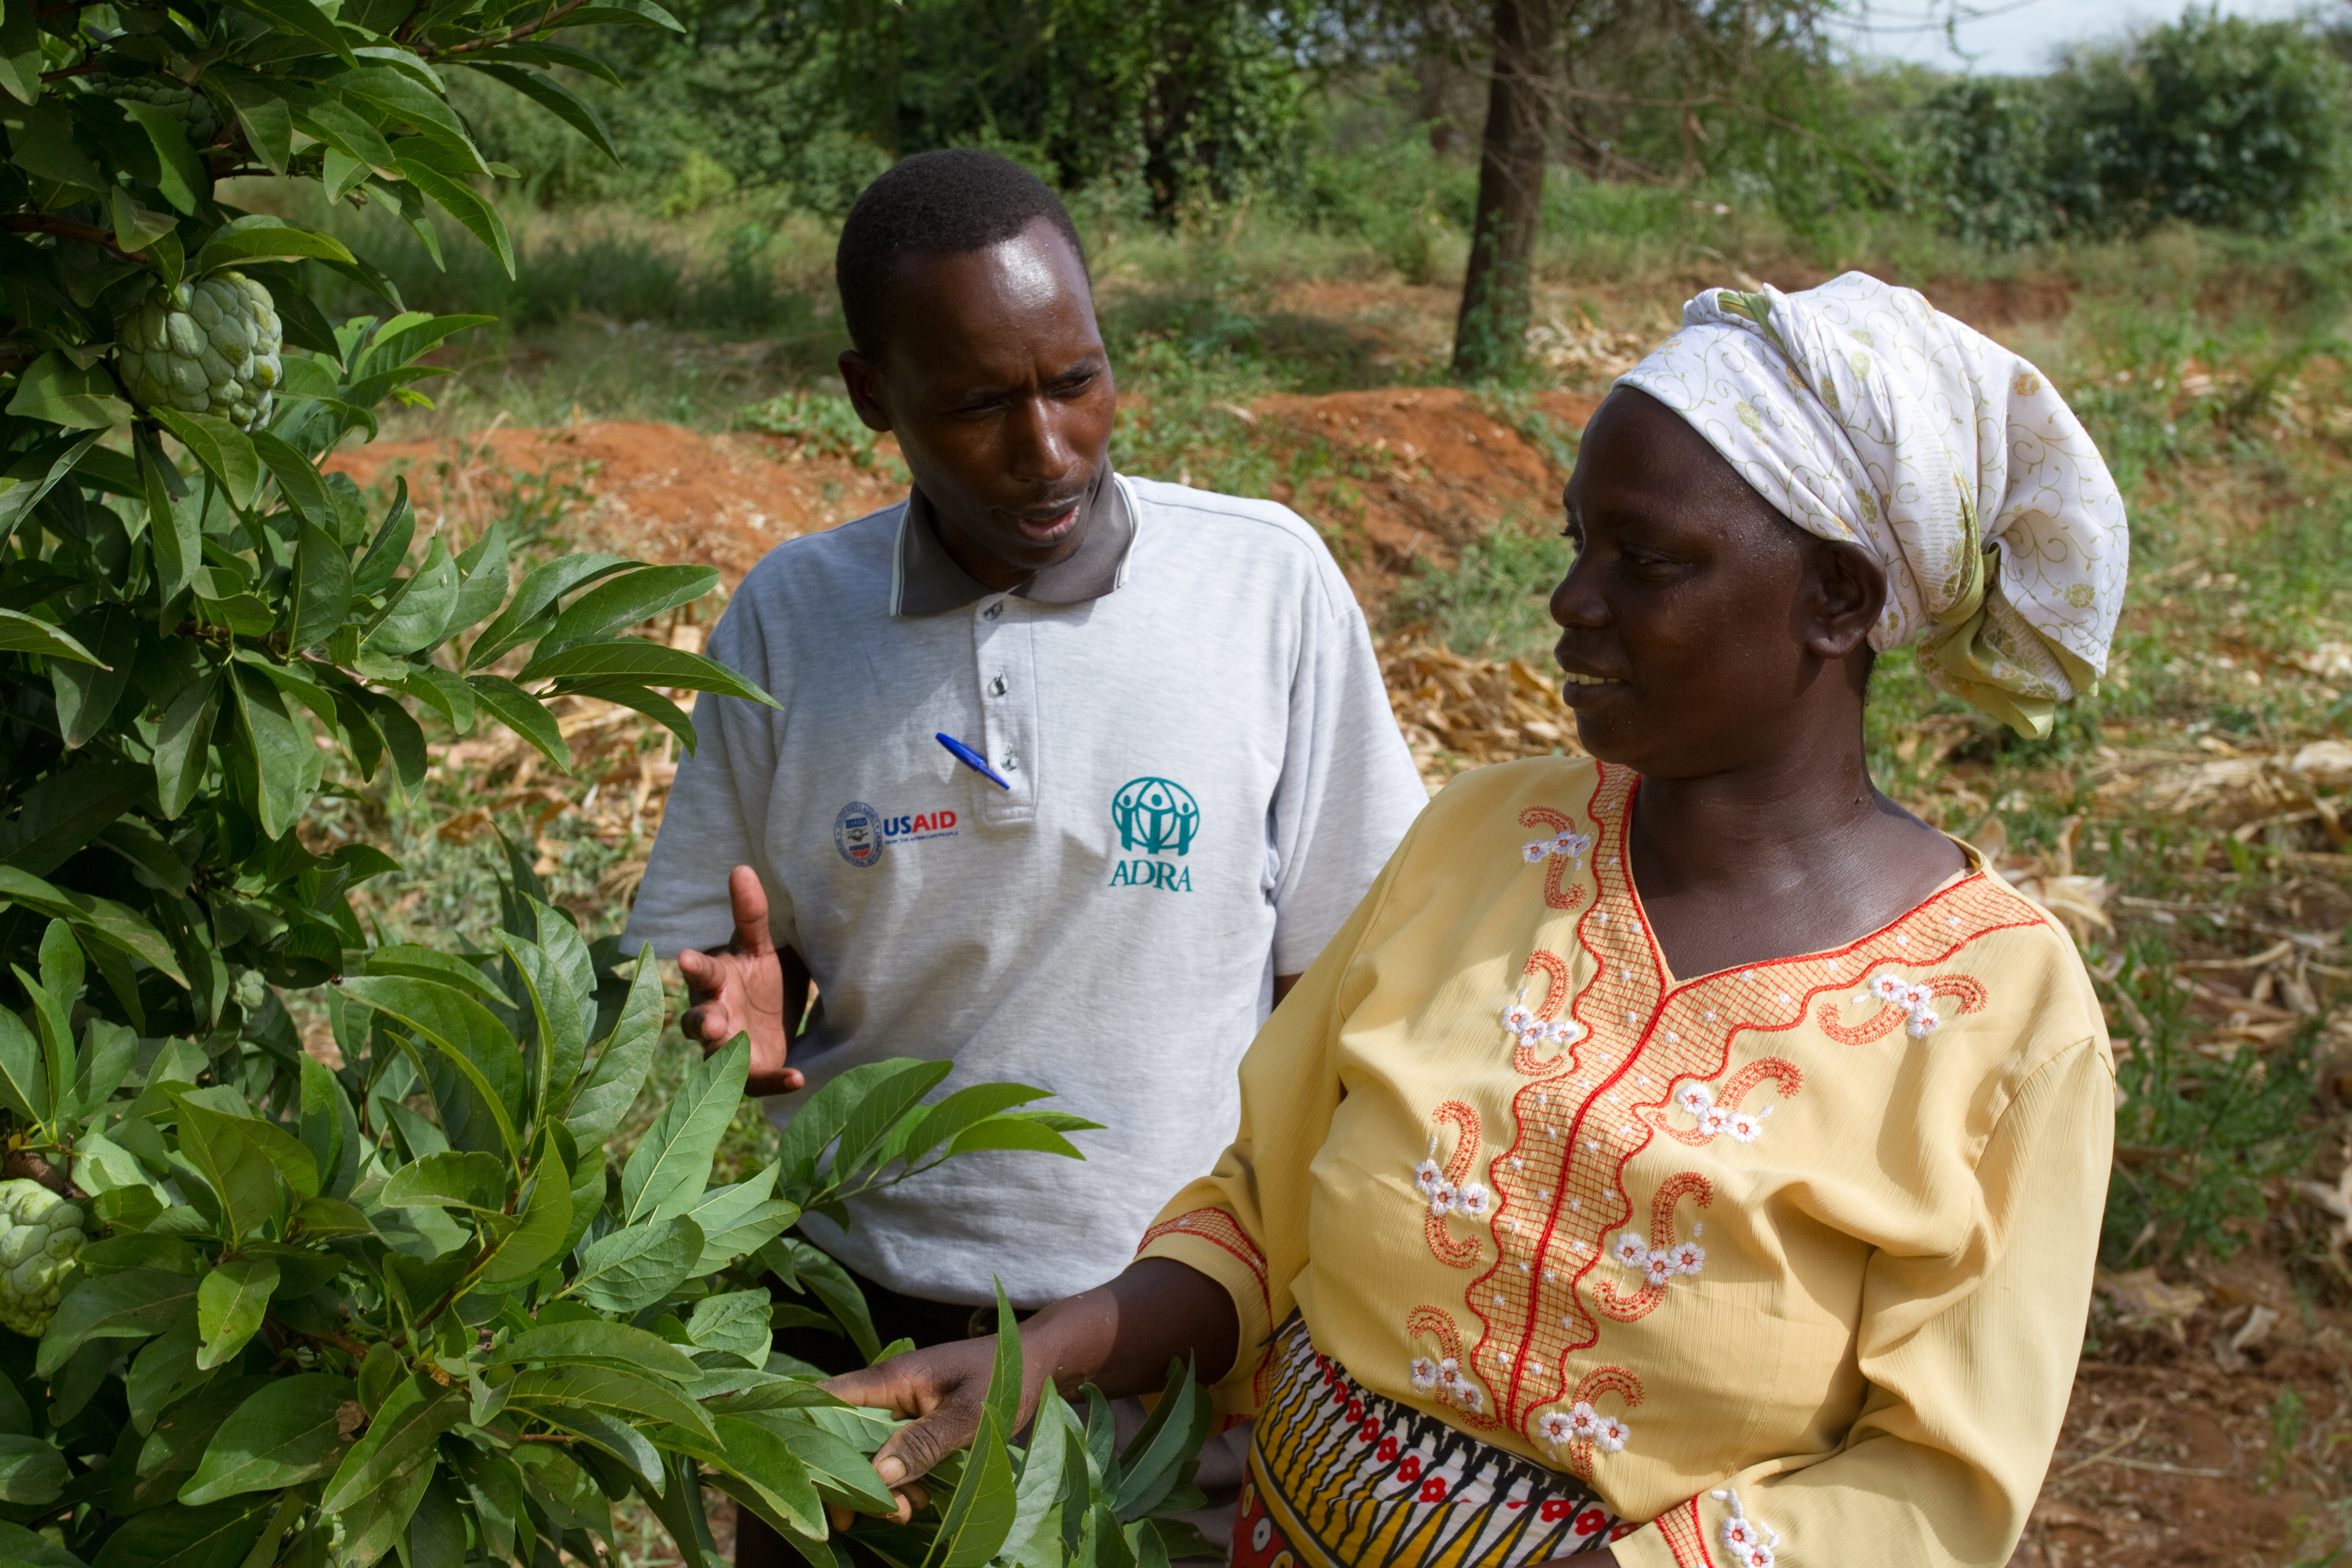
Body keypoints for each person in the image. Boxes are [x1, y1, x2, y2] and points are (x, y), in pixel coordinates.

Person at [824, 271, 2130, 1568]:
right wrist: (1037, 1358)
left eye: (1648, 560)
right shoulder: (1485, 836)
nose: (1572, 602)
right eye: (1578, 544)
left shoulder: (2000, 1011)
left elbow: (1934, 1484)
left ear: (1838, 600)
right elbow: (1257, 1211)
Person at [621, 149, 1429, 1559]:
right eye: (980, 404)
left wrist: (1302, 1309)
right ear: (873, 397)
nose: (1048, 448)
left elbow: (1369, 987)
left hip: (1170, 1333)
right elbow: (700, 965)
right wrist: (721, 1022)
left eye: (1076, 381)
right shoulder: (792, 620)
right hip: (860, 1337)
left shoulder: (1264, 585)